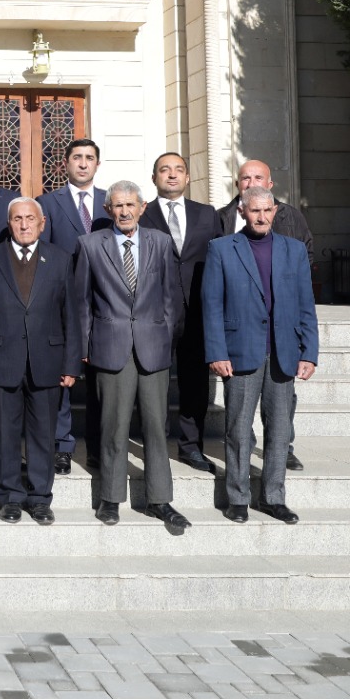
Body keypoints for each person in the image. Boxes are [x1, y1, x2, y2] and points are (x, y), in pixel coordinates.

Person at [65, 181, 188, 530]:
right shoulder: (89, 245)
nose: (124, 212)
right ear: (108, 210)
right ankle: (110, 498)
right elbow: (82, 302)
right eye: (117, 206)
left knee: (155, 427)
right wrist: (87, 347)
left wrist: (164, 336)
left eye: (130, 205)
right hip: (110, 347)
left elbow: (169, 296)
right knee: (113, 428)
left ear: (142, 206)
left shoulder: (161, 243)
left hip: (152, 348)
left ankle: (160, 500)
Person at [204, 186, 319, 525]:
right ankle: (237, 498)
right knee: (238, 429)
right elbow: (211, 306)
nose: (262, 217)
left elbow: (305, 306)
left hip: (283, 352)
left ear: (274, 212)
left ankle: (273, 498)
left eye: (267, 210)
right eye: (255, 211)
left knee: (280, 429)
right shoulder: (222, 249)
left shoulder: (294, 250)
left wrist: (309, 352)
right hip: (240, 352)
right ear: (242, 212)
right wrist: (216, 351)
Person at [216, 158, 314, 471]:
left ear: (270, 185)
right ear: (238, 185)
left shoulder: (290, 217)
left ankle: (283, 450)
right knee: (240, 416)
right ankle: (241, 479)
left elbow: (304, 262)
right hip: (241, 332)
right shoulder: (221, 218)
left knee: (282, 404)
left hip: (280, 332)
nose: (253, 182)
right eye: (246, 177)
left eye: (260, 177)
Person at [0, 197, 70, 525]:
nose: (24, 224)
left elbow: (70, 314)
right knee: (4, 432)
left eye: (31, 218)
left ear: (42, 223)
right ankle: (10, 497)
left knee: (43, 434)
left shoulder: (59, 259)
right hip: (2, 358)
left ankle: (40, 498)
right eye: (17, 219)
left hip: (47, 359)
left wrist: (70, 364)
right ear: (9, 223)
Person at [138, 151, 224, 473]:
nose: (172, 175)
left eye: (178, 170)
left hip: (198, 310)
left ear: (188, 178)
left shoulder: (207, 214)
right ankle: (156, 448)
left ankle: (191, 447)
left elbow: (218, 261)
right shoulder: (142, 215)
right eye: (164, 170)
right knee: (153, 386)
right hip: (154, 313)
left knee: (195, 384)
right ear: (154, 177)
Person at [38, 137, 110, 475]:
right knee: (62, 378)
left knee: (101, 380)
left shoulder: (113, 202)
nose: (83, 163)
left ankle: (98, 447)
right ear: (65, 163)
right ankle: (62, 445)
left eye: (89, 158)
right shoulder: (48, 204)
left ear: (97, 164)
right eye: (77, 158)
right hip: (63, 305)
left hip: (105, 305)